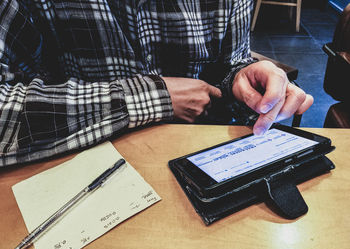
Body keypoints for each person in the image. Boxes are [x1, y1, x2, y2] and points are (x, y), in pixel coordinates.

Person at [0, 0, 313, 166]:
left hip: (199, 166)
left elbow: (228, 66)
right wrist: (154, 97)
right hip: (76, 170)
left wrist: (246, 81)